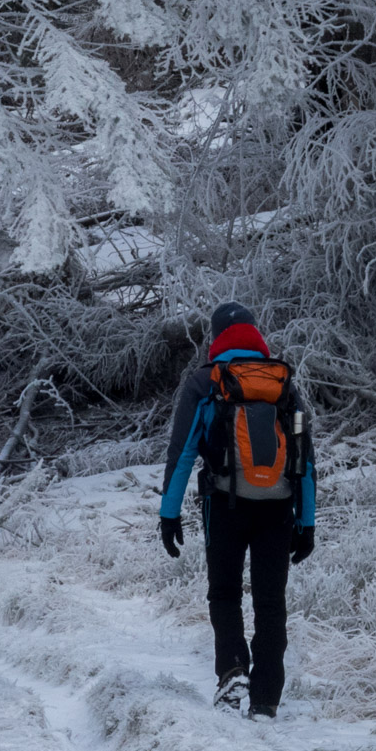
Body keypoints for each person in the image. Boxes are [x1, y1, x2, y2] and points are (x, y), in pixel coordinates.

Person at [159, 302, 318, 718]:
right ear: (255, 334)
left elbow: (183, 451)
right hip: (279, 507)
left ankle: (232, 669)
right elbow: (303, 457)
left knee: (225, 593)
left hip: (223, 504)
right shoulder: (283, 383)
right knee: (271, 601)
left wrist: (168, 513)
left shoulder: (206, 381)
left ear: (216, 337)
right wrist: (307, 521)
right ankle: (265, 699)